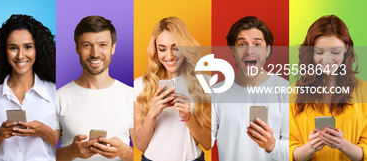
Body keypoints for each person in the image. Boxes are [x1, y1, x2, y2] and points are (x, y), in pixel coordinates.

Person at [0, 14, 58, 160]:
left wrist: (44, 131)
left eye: (28, 47)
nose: (21, 56)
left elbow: (69, 150)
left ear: (37, 50)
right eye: (13, 48)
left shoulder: (56, 93)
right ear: (5, 51)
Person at [55, 15, 134, 161]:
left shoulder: (132, 96)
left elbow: (146, 154)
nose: (95, 54)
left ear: (113, 47)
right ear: (77, 48)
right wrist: (71, 152)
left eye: (102, 44)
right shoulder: (58, 98)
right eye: (87, 45)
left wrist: (123, 151)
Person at [289, 15, 367, 161]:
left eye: (335, 52)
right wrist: (311, 147)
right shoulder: (293, 93)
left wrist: (342, 144)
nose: (327, 60)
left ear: (346, 49)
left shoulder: (364, 91)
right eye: (319, 52)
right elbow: (287, 151)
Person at [212, 16, 289, 161]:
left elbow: (293, 151)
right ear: (233, 50)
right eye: (242, 44)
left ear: (267, 50)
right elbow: (205, 140)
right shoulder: (216, 93)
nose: (249, 51)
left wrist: (271, 144)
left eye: (257, 44)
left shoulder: (285, 91)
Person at [134, 17, 212, 161]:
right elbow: (140, 144)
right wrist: (153, 112)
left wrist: (188, 116)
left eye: (176, 48)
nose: (169, 56)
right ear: (155, 50)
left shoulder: (205, 82)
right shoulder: (141, 84)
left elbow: (208, 144)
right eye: (162, 49)